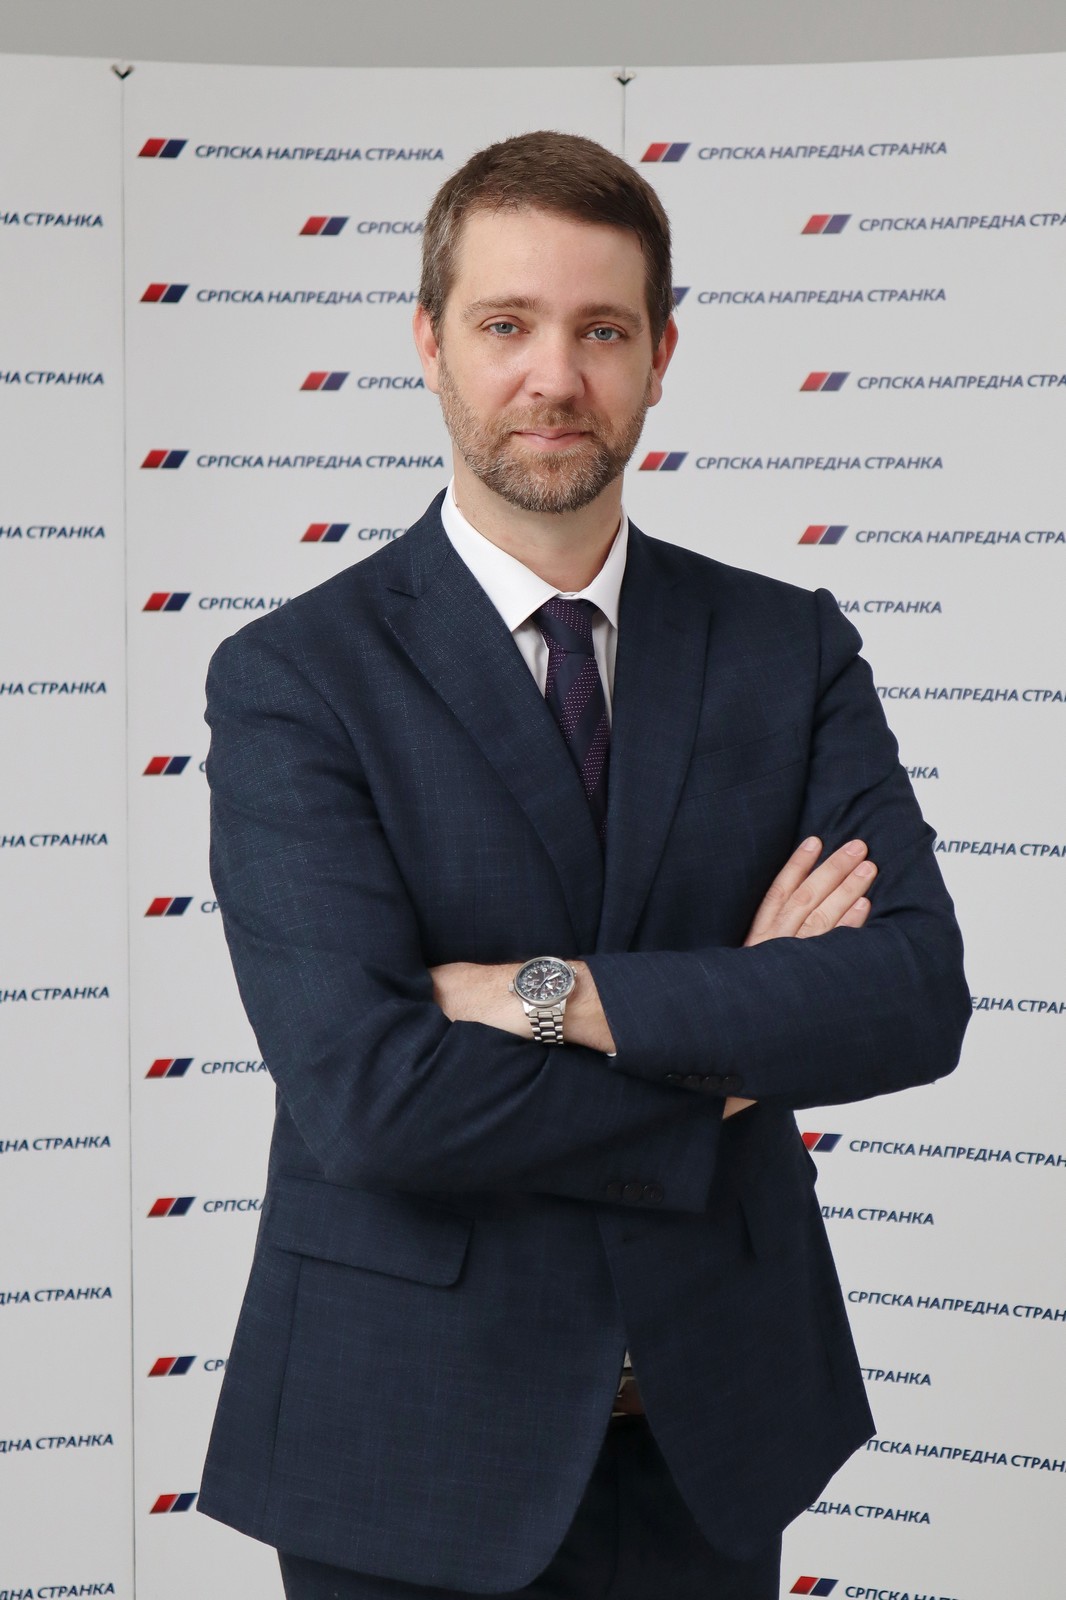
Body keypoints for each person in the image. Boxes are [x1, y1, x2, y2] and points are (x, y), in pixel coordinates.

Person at [196, 131, 969, 1600]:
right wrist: (731, 1046)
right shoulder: (297, 677)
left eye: (601, 330)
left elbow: (912, 995)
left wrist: (549, 996)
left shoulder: (788, 647)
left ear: (661, 355)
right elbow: (372, 1100)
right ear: (429, 343)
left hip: (713, 1431)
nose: (554, 377)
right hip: (407, 1443)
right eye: (506, 325)